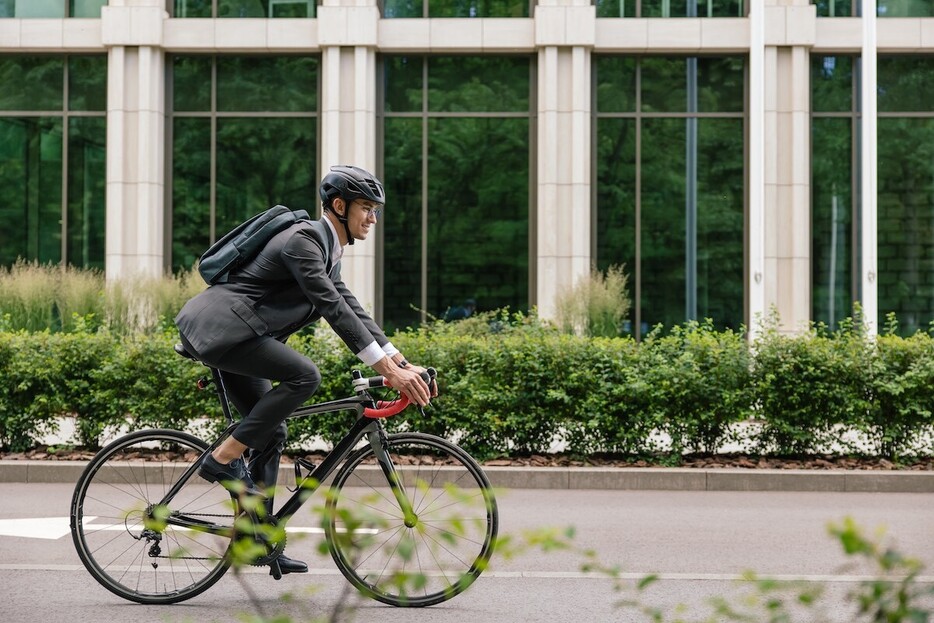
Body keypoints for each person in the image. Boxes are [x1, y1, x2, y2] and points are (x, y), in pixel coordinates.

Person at [175, 165, 433, 575]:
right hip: (222, 332)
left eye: (376, 210)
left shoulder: (329, 252)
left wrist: (400, 363)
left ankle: (254, 537)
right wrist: (386, 368)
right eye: (366, 208)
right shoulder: (303, 241)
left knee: (270, 430)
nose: (373, 218)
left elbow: (353, 310)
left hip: (241, 336)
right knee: (304, 376)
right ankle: (222, 458)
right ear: (338, 205)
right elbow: (332, 310)